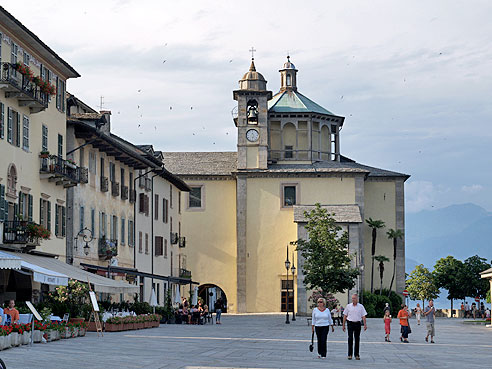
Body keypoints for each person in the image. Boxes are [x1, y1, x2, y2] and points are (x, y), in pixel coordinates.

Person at [342, 294, 367, 360]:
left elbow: (363, 316)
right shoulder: (348, 306)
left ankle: (357, 354)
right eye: (352, 298)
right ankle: (349, 354)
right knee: (350, 338)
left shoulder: (361, 306)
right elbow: (345, 315)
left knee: (357, 339)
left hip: (357, 323)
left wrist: (365, 324)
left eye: (354, 298)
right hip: (350, 323)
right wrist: (343, 325)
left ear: (357, 299)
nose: (353, 299)